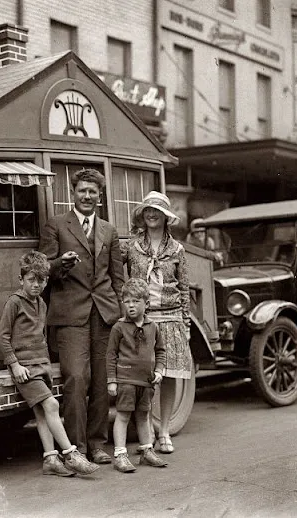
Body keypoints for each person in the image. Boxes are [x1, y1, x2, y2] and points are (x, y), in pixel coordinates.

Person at [39, 168, 124, 465]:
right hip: (70, 314)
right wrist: (59, 263)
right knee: (76, 378)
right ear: (72, 194)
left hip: (104, 314)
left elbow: (118, 278)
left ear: (99, 197)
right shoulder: (56, 226)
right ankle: (76, 448)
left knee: (102, 381)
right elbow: (42, 269)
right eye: (81, 191)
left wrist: (123, 315)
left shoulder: (109, 231)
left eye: (92, 192)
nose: (87, 196)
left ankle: (98, 444)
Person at [0, 251, 99, 477]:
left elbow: (40, 335)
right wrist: (14, 365)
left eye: (41, 280)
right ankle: (71, 454)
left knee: (42, 414)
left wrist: (46, 362)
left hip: (41, 364)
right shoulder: (14, 302)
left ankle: (50, 459)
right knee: (52, 405)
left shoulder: (41, 303)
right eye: (31, 279)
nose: (36, 285)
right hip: (24, 368)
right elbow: (2, 336)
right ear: (21, 280)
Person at [121, 191, 191, 455]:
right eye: (148, 210)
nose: (151, 215)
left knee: (170, 374)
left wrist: (185, 323)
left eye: (157, 211)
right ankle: (147, 429)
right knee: (145, 376)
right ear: (142, 215)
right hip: (143, 320)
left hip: (171, 317)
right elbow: (117, 273)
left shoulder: (177, 249)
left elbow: (183, 287)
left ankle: (164, 431)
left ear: (166, 217)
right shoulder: (131, 246)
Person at [107, 278, 168, 472]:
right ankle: (120, 454)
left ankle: (147, 451)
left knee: (143, 415)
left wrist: (159, 370)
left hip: (146, 381)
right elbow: (110, 355)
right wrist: (112, 380)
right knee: (123, 416)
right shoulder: (119, 327)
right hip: (126, 380)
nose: (131, 306)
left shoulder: (153, 327)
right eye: (127, 301)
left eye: (136, 301)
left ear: (146, 304)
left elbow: (161, 351)